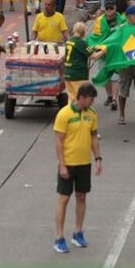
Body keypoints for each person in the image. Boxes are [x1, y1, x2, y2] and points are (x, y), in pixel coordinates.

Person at [52, 84, 103, 254]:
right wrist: (62, 164)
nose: (93, 101)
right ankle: (59, 237)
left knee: (81, 197)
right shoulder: (64, 114)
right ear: (82, 97)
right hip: (68, 163)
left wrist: (98, 158)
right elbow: (59, 141)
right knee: (64, 199)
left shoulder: (92, 114)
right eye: (91, 98)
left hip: (84, 163)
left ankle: (78, 232)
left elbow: (94, 137)